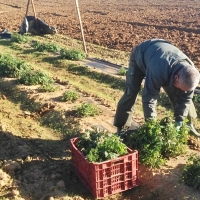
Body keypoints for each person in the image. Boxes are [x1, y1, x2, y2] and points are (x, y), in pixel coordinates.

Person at [114, 38, 200, 137]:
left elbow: (186, 99)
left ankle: (188, 125)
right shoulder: (158, 69)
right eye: (180, 86)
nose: (182, 90)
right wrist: (152, 126)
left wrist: (180, 121)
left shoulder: (190, 73)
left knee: (180, 95)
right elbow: (149, 97)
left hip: (162, 57)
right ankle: (121, 127)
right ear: (176, 78)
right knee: (131, 91)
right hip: (141, 55)